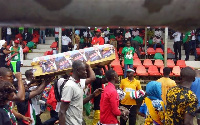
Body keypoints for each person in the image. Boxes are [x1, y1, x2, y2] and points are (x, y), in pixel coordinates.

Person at [59, 60, 96, 125]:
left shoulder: (78, 83)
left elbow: (77, 103)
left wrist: (92, 95)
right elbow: (62, 111)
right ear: (78, 70)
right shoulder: (70, 86)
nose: (86, 73)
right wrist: (88, 66)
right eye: (84, 70)